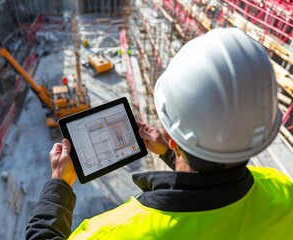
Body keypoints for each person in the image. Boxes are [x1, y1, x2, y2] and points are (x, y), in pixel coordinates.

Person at [26, 28, 293, 239]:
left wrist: (59, 184)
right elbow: (213, 185)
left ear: (174, 138)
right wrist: (169, 153)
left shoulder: (117, 232)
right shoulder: (283, 191)